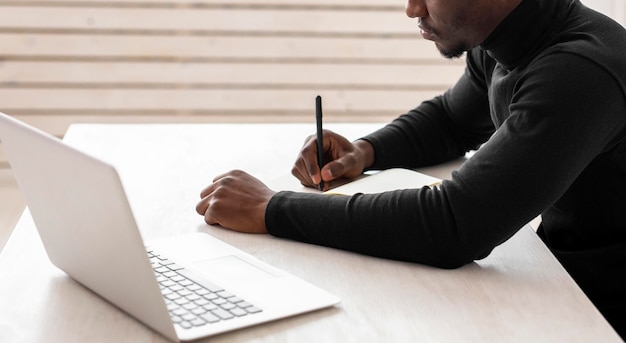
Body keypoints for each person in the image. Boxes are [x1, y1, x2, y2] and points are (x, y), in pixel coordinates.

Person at [196, 0, 626, 337]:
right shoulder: (507, 40)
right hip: (563, 281)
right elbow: (452, 120)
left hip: (601, 314)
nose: (412, 9)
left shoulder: (579, 71)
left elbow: (456, 225)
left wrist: (272, 209)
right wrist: (364, 152)